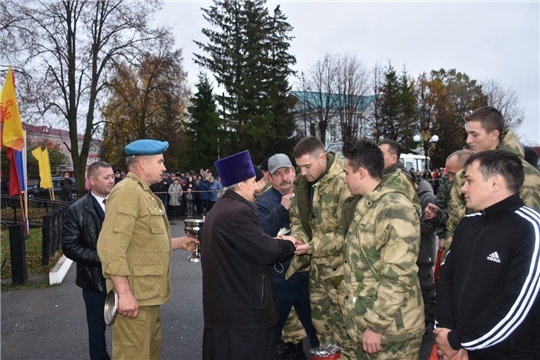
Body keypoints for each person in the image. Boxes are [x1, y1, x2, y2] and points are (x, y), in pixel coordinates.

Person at [96, 139, 198, 360]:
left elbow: (144, 242)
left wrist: (179, 242)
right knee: (133, 355)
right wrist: (123, 293)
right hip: (135, 298)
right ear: (143, 163)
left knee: (148, 353)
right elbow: (111, 246)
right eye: (160, 162)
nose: (164, 167)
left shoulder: (145, 194)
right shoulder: (127, 192)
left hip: (147, 297)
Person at [434, 150, 540, 360]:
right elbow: (447, 278)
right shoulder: (468, 223)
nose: (463, 188)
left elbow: (516, 304)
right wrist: (446, 334)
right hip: (458, 348)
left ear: (495, 183)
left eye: (469, 181)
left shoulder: (529, 229)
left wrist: (460, 340)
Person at [200, 150, 298, 360]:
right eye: (254, 181)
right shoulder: (237, 212)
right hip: (244, 315)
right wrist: (288, 244)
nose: (256, 188)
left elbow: (248, 246)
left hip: (226, 311)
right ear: (241, 183)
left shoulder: (220, 209)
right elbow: (267, 250)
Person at [339, 138, 424, 359]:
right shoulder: (368, 204)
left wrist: (376, 326)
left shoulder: (394, 208)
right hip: (373, 326)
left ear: (361, 173)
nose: (344, 178)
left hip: (393, 333)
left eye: (346, 173)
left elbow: (398, 275)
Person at [286, 136, 353, 358]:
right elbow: (297, 216)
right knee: (322, 332)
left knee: (345, 333)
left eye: (307, 166)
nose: (303, 172)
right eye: (299, 167)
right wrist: (297, 238)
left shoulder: (344, 181)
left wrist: (312, 246)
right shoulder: (304, 183)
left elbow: (349, 232)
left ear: (322, 158)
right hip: (317, 272)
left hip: (342, 273)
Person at [445, 106, 540, 251]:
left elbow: (530, 229)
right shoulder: (463, 174)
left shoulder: (526, 174)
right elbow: (453, 224)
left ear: (494, 135)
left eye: (474, 134)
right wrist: (449, 264)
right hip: (465, 260)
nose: (468, 140)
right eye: (467, 134)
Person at [255, 153, 319, 360]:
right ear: (269, 177)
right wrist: (282, 208)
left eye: (287, 171)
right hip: (280, 277)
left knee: (318, 330)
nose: (284, 178)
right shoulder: (263, 202)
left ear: (294, 171)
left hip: (308, 274)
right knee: (272, 332)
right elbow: (260, 235)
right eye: (278, 174)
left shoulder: (309, 193)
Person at [61, 161, 115, 360]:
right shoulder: (77, 210)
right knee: (97, 333)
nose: (112, 180)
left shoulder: (121, 202)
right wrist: (102, 259)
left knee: (128, 329)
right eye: (106, 177)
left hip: (126, 279)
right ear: (92, 181)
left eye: (112, 176)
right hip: (94, 282)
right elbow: (69, 246)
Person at [424, 150, 471, 252]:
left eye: (453, 174)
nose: (450, 179)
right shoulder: (448, 184)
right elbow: (451, 216)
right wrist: (437, 215)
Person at [415, 175, 437, 333]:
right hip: (416, 250)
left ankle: (430, 319)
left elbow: (430, 226)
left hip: (424, 251)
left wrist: (409, 223)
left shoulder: (428, 198)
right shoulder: (414, 195)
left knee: (426, 286)